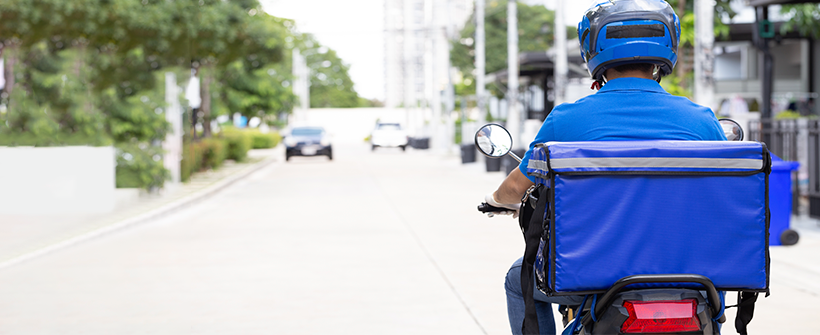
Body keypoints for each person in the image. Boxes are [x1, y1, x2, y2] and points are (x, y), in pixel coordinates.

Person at [482, 1, 728, 334]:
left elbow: (514, 188)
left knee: (517, 279)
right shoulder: (702, 121)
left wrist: (497, 200)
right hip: (691, 273)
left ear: (592, 49)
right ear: (667, 47)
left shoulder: (567, 120)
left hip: (594, 274)